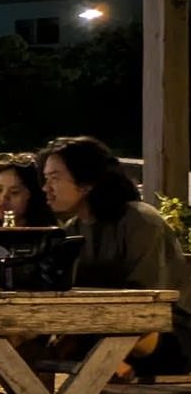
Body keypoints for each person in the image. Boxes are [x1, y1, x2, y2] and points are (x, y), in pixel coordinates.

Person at [40, 135, 191, 374]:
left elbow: (149, 303)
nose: (46, 188)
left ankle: (108, 370)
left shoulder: (140, 220)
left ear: (87, 182)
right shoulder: (72, 230)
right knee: (36, 346)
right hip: (105, 330)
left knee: (83, 351)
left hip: (166, 333)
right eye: (46, 179)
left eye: (55, 178)